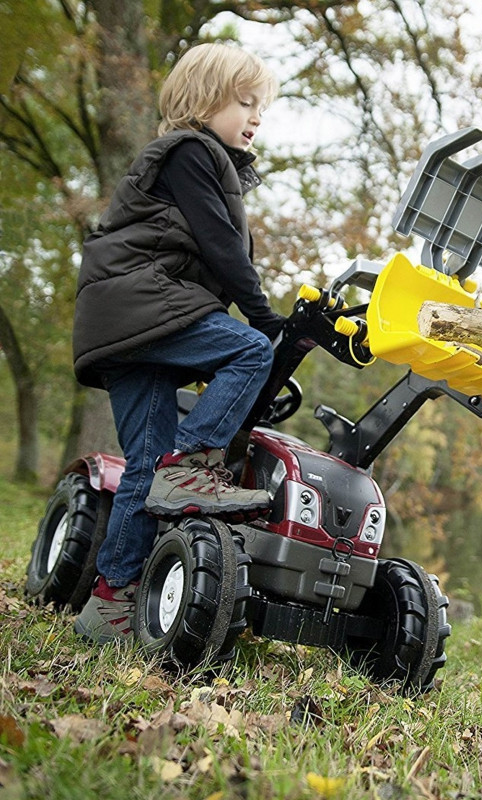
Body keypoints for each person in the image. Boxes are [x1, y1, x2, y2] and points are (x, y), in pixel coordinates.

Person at [71, 43, 285, 643]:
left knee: (144, 462)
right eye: (245, 102)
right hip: (140, 310)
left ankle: (109, 604)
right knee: (248, 351)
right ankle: (191, 465)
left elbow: (212, 251)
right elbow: (223, 248)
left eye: (260, 107)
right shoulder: (191, 152)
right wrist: (264, 316)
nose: (255, 117)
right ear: (203, 99)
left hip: (122, 325)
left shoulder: (204, 163)